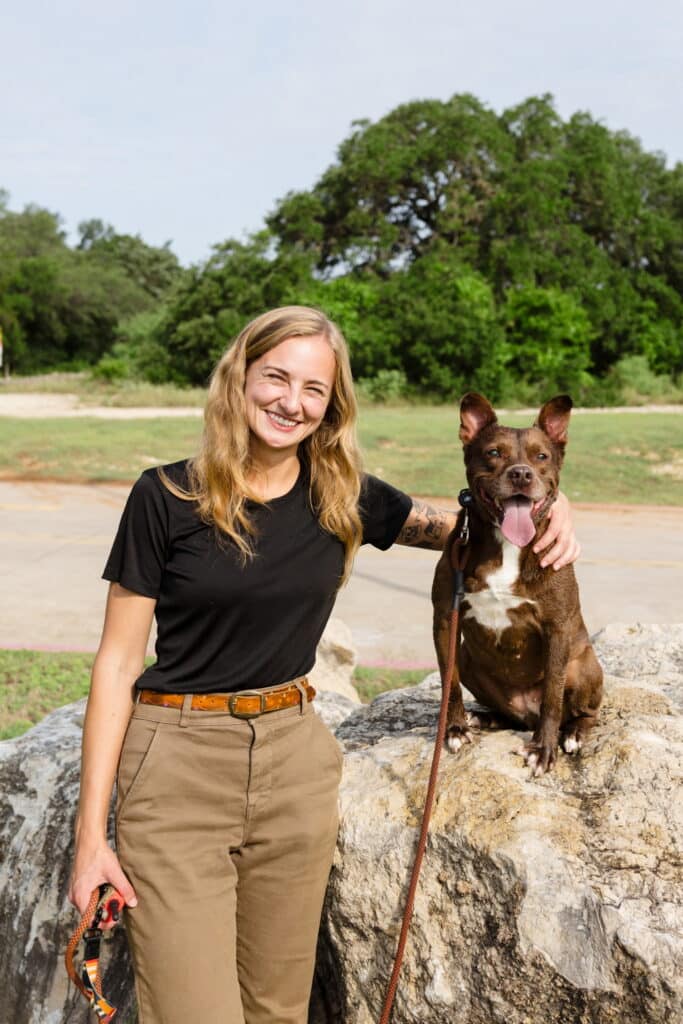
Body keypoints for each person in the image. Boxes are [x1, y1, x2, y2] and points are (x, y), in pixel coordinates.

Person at [68, 306, 579, 1024]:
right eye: (275, 377)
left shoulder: (343, 496)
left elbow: (467, 523)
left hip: (294, 764)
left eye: (313, 388)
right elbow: (116, 663)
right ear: (237, 380)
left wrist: (552, 509)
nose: (291, 401)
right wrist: (92, 839)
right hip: (178, 767)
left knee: (278, 1010)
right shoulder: (166, 497)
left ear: (331, 405)